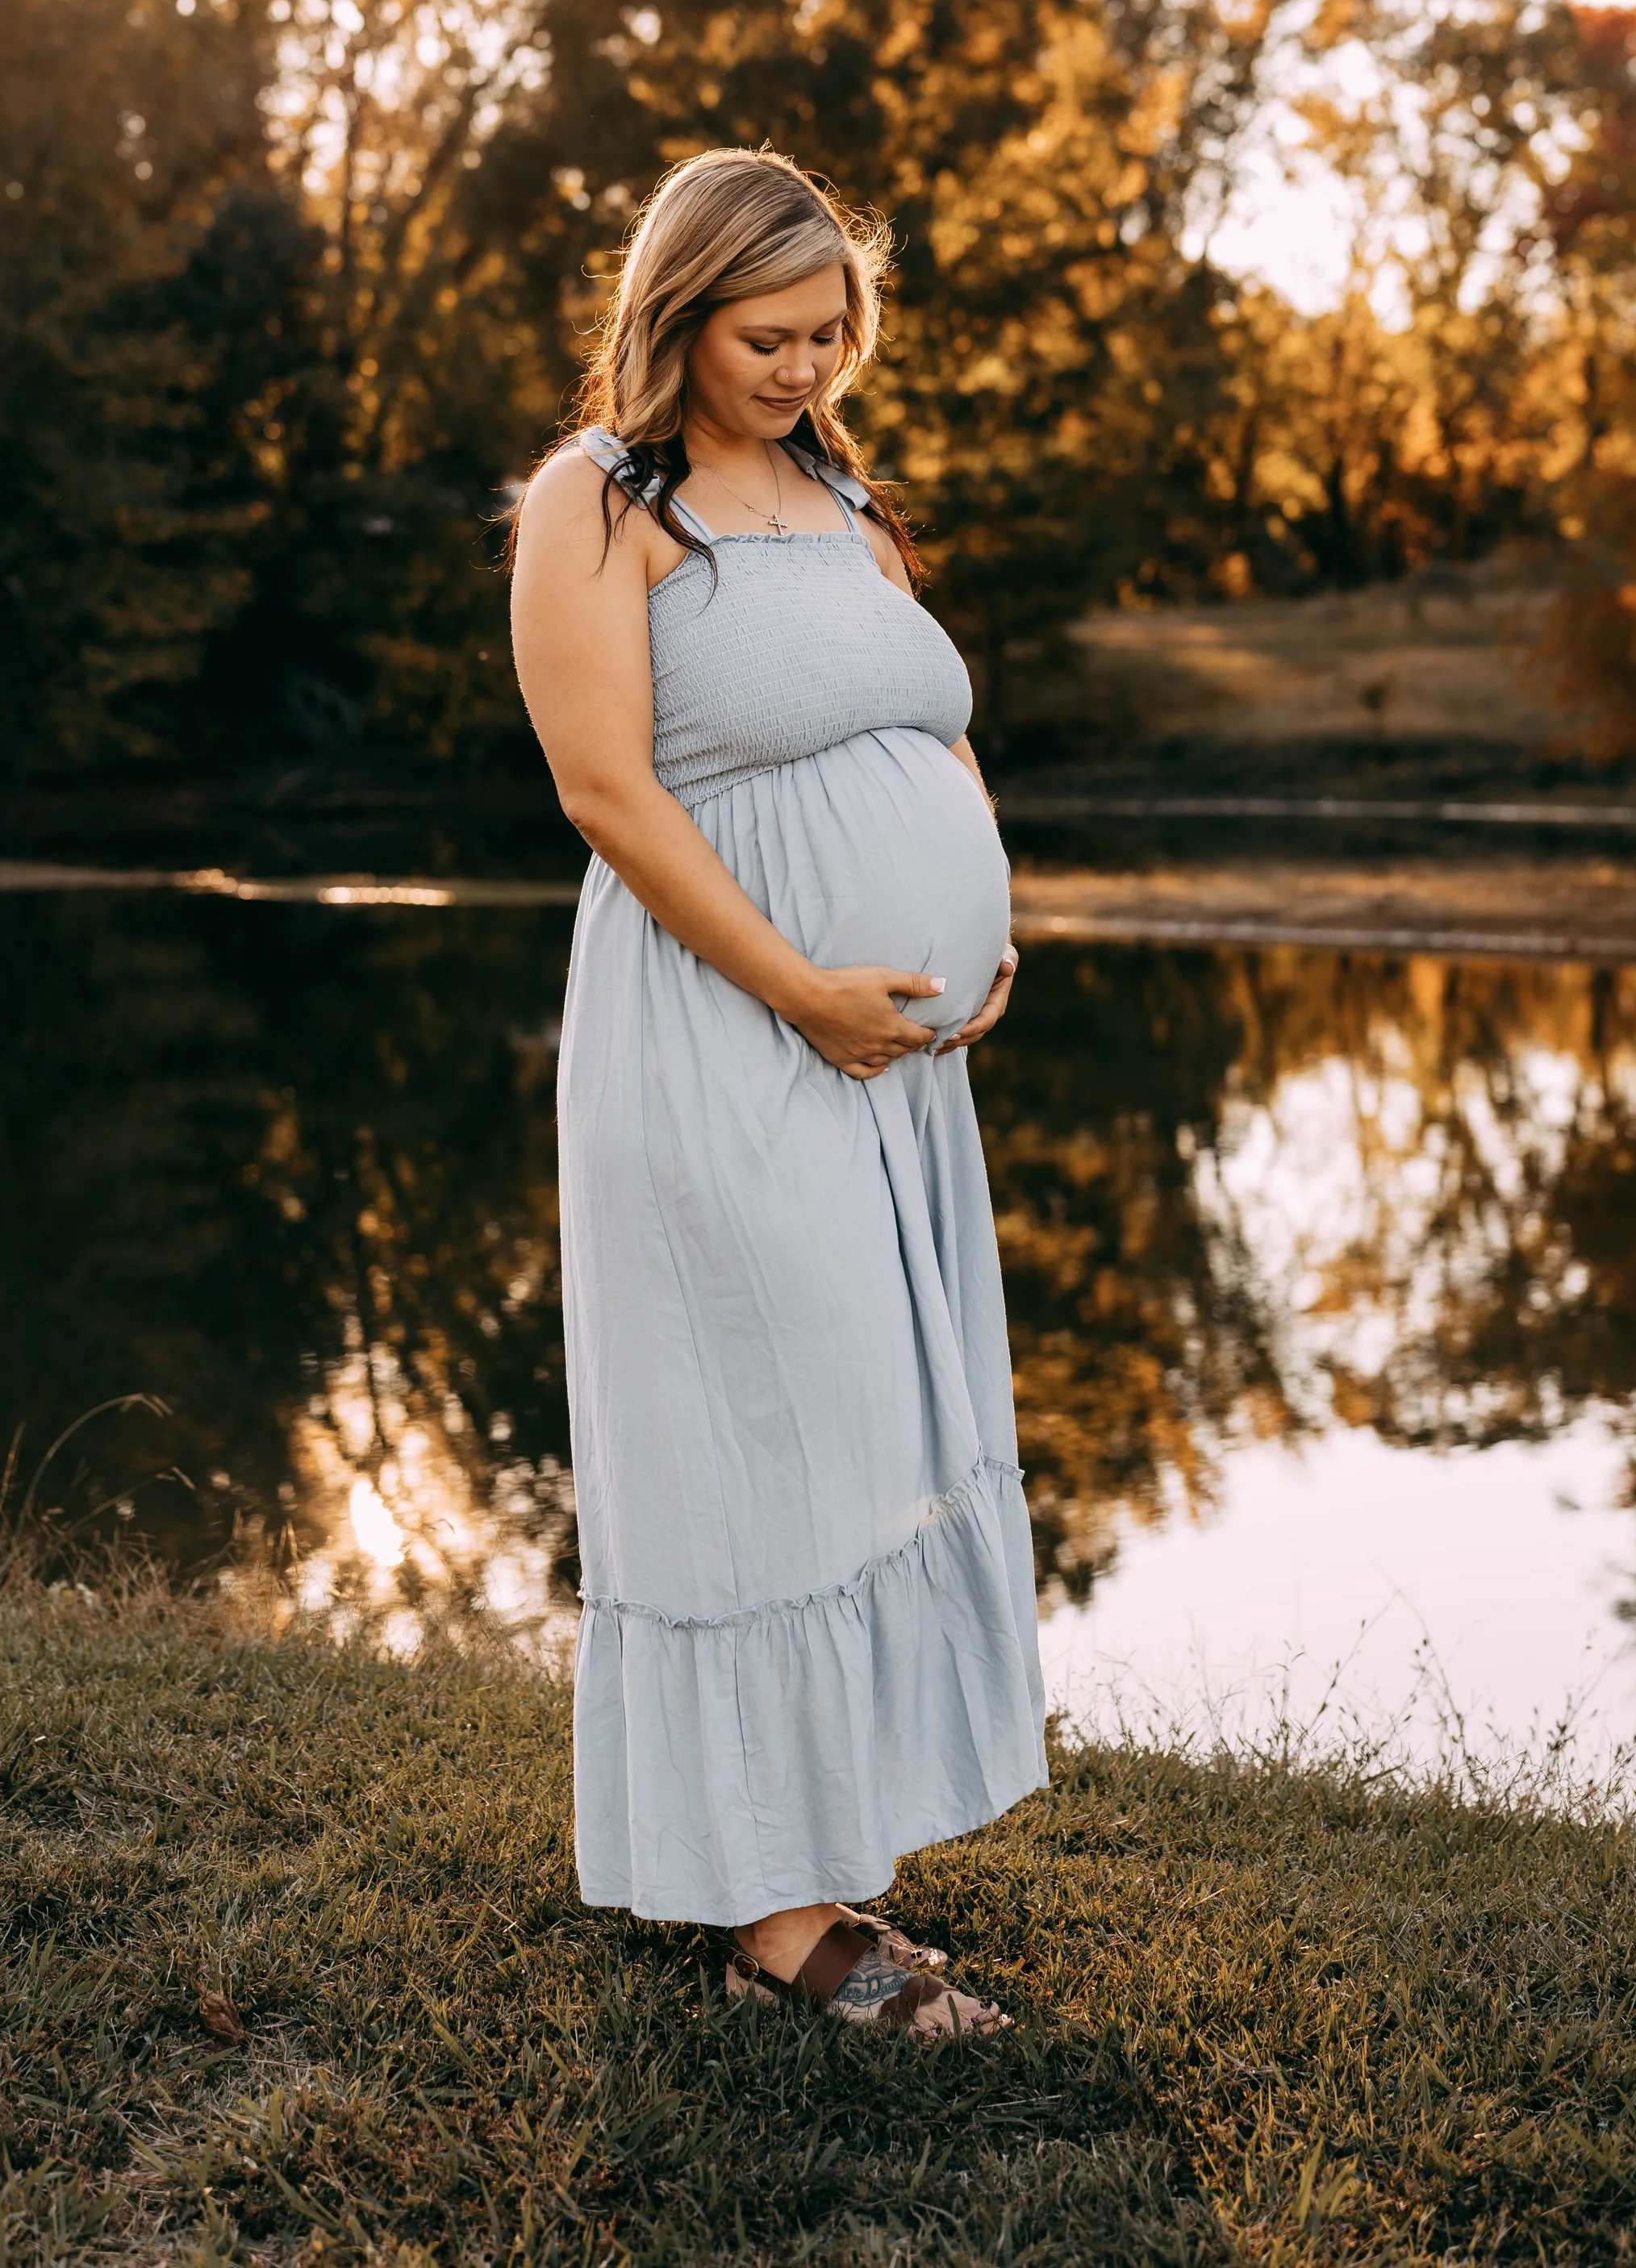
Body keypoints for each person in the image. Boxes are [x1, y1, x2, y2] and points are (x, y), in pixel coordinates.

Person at [509, 149, 1046, 2038]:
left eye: (832, 333)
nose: (807, 365)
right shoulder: (597, 501)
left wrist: (980, 916)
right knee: (769, 1423)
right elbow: (606, 795)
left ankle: (824, 1857)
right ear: (676, 313)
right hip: (723, 1022)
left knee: (875, 1427)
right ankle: (778, 1922)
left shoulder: (835, 491)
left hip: (882, 1057)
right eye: (769, 334)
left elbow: (932, 727)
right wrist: (801, 984)